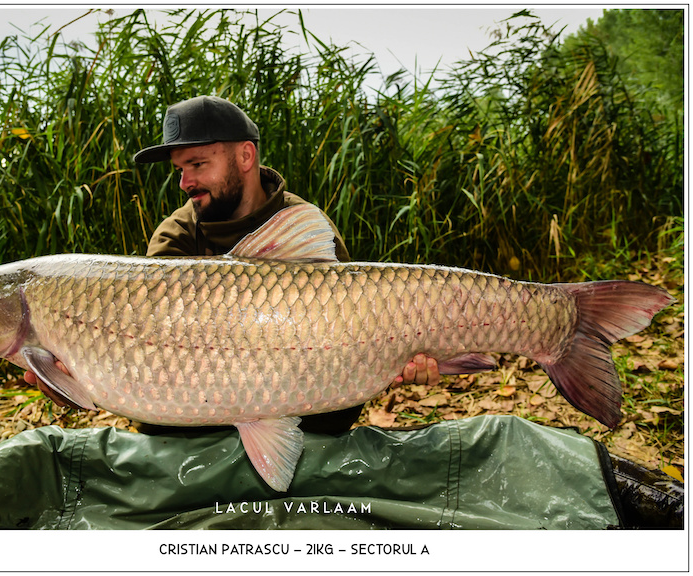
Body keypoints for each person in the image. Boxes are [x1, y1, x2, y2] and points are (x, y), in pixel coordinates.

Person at [25, 95, 439, 434]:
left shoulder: (305, 225)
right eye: (181, 170)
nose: (186, 183)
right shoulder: (176, 234)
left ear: (245, 156)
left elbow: (357, 328)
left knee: (335, 403)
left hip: (312, 390)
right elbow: (150, 351)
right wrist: (75, 381)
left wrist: (402, 358)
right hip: (200, 402)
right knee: (155, 419)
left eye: (198, 165)